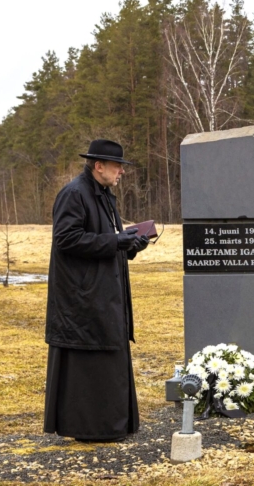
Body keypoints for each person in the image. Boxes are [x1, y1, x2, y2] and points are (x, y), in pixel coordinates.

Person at [44, 140, 150, 442]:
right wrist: (117, 241)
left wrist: (131, 244)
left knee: (109, 358)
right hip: (83, 297)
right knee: (88, 361)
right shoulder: (74, 194)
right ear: (98, 165)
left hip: (104, 292)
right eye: (117, 166)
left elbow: (108, 240)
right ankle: (89, 428)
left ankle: (111, 425)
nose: (121, 172)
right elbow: (66, 239)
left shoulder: (104, 195)